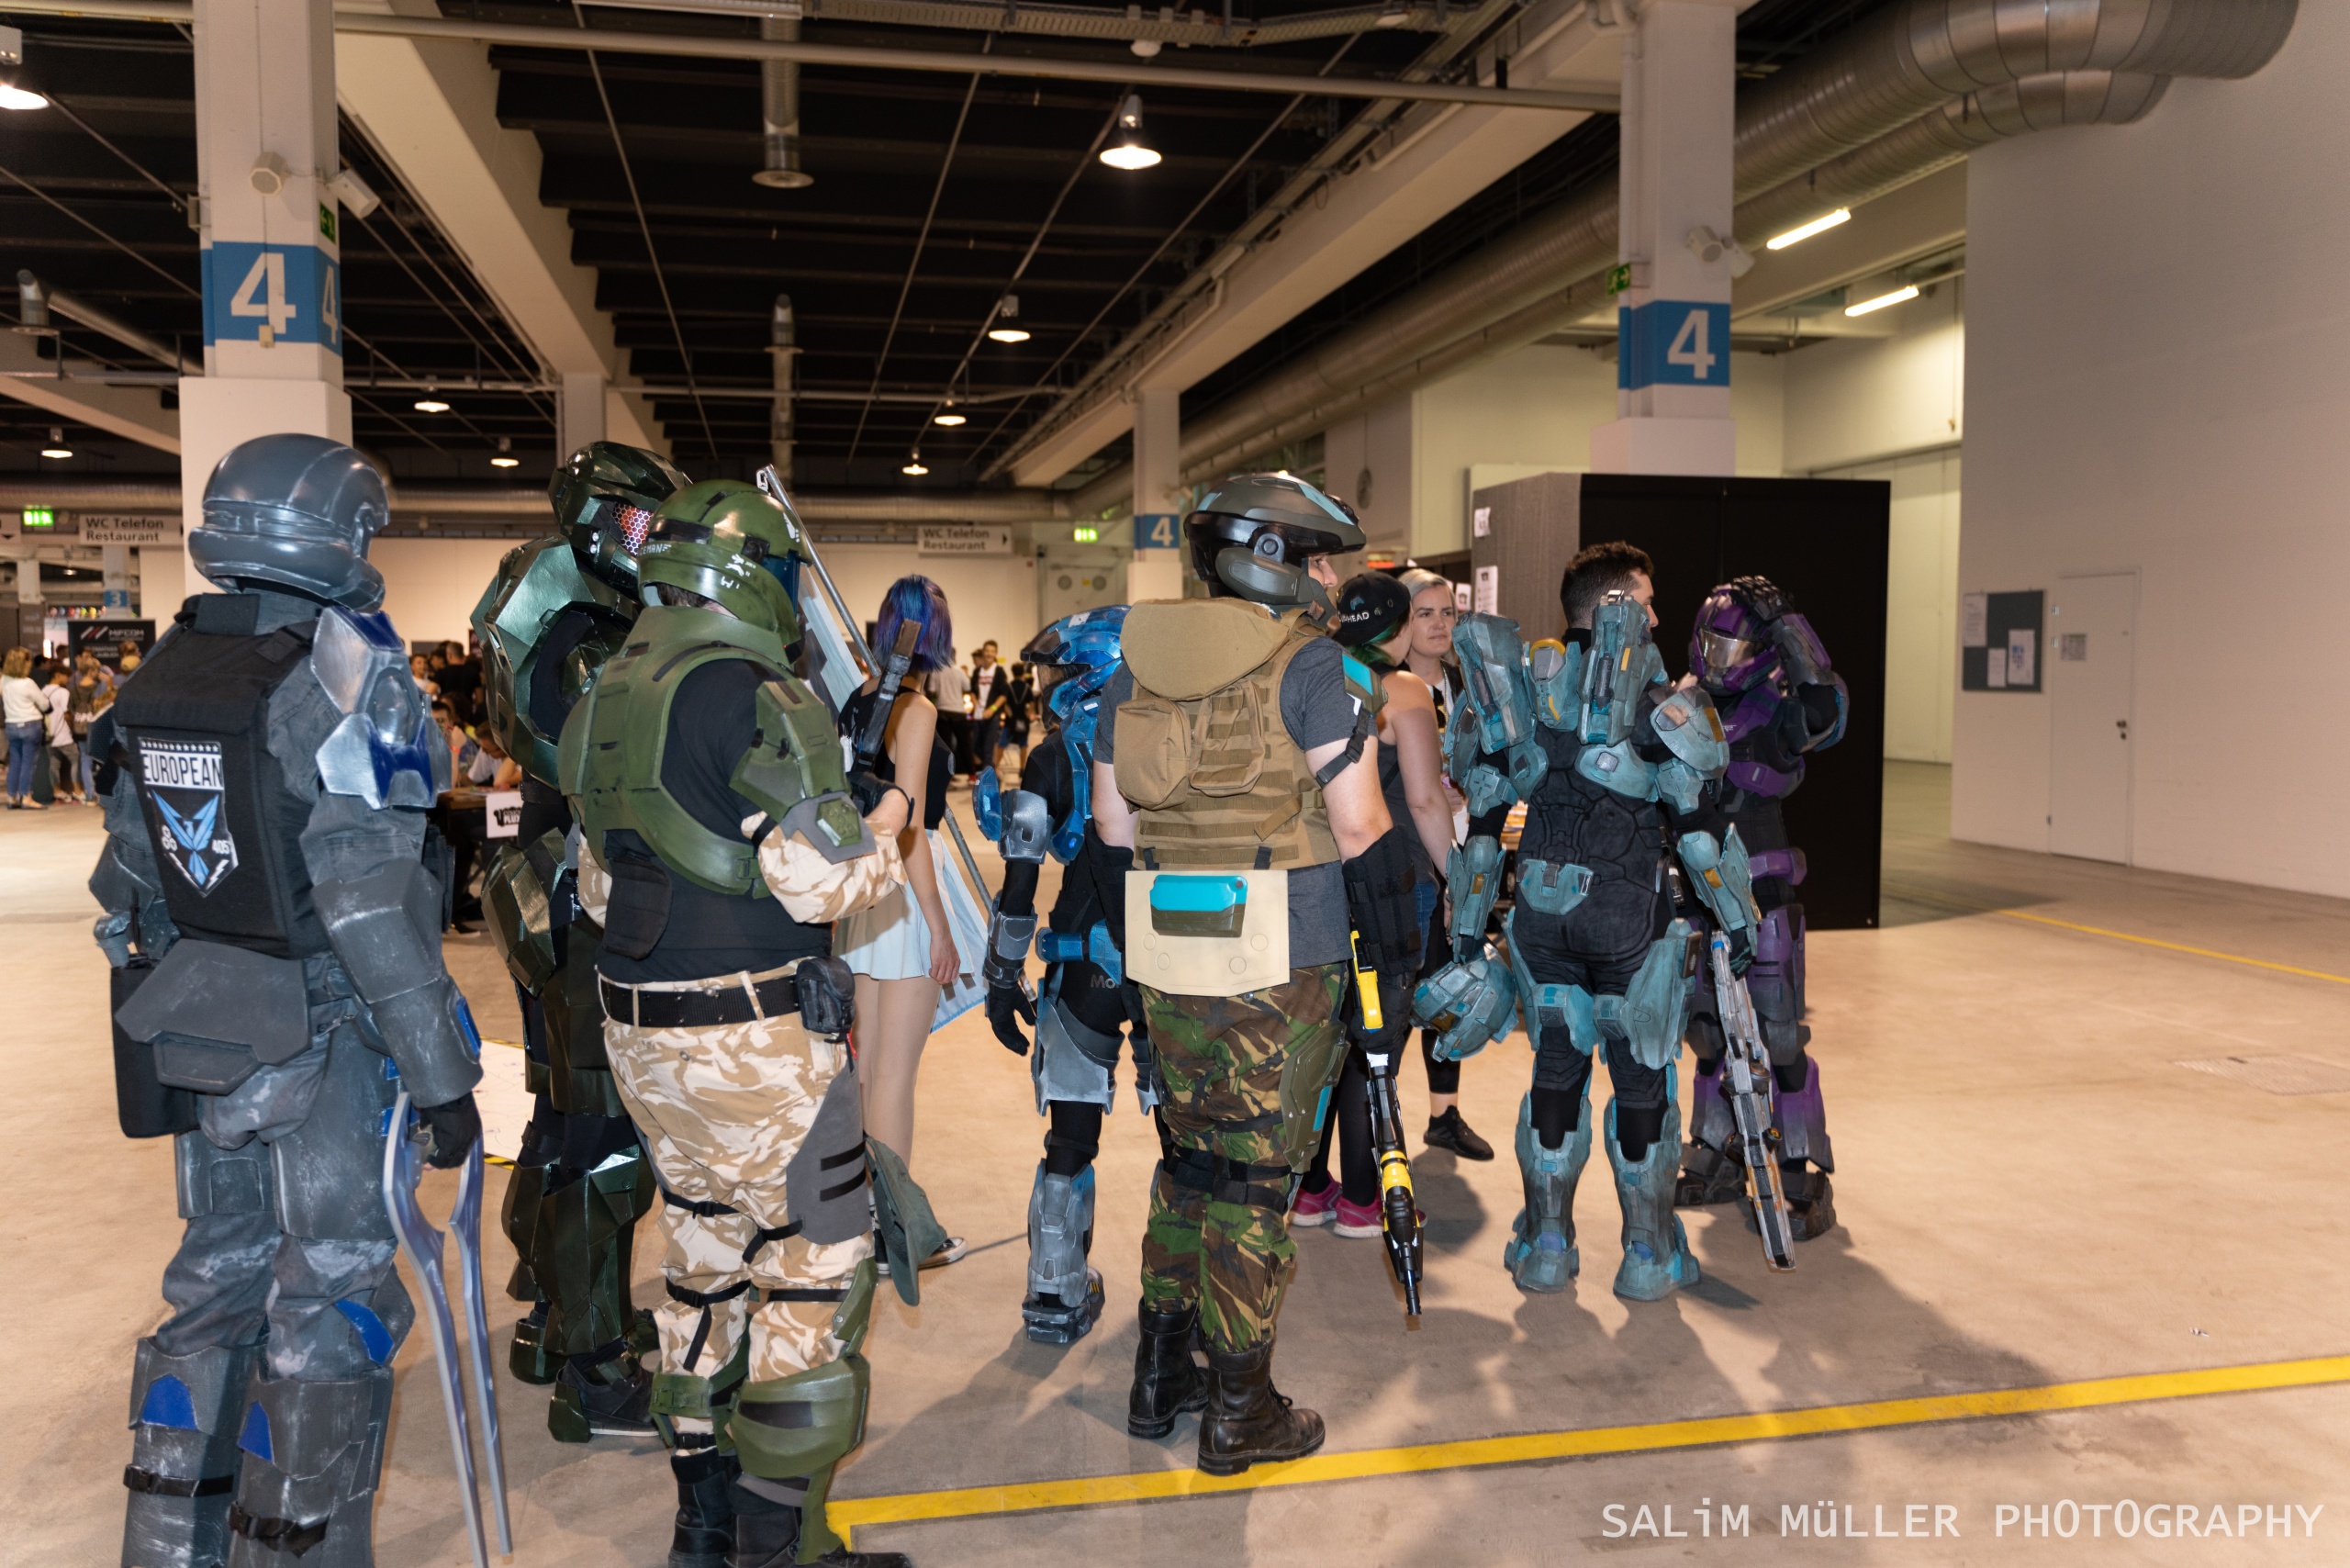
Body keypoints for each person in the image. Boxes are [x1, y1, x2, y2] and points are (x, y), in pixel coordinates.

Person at [95, 432, 483, 1568]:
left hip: (198, 1027)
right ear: (339, 534)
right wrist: (440, 1076)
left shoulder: (166, 667)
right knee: (333, 1301)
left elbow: (124, 885)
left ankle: (167, 1546)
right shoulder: (351, 674)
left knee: (213, 1284)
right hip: (325, 1036)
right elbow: (368, 902)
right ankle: (299, 1552)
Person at [559, 477, 916, 1568]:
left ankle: (701, 1525)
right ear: (752, 575)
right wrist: (889, 813)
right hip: (754, 1040)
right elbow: (826, 885)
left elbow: (596, 886)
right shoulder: (755, 689)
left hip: (642, 1036)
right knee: (814, 1267)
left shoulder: (606, 691)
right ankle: (780, 1544)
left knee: (703, 1258)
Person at [1091, 473, 1422, 1475]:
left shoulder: (1134, 670)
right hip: (1283, 959)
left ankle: (1159, 1372)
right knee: (1254, 1179)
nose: (1326, 580)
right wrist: (1398, 957)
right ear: (1272, 559)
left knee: (1189, 1161)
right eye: (1317, 559)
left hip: (1168, 949)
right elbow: (1360, 825)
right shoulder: (1316, 666)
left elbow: (1112, 828)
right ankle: (1239, 1408)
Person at [1436, 541, 1755, 1302]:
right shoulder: (1654, 703)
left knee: (1555, 1071)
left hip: (1542, 922)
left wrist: (1466, 936)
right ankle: (1647, 1254)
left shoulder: (1514, 697)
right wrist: (1738, 920)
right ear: (1619, 604)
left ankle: (1548, 1247)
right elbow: (1698, 834)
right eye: (1647, 599)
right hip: (1627, 920)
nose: (1656, 616)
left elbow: (1481, 835)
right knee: (1642, 1080)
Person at [471, 440, 688, 1443]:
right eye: (641, 523)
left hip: (543, 876)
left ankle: (553, 1321)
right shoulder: (585, 631)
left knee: (563, 1120)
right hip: (581, 894)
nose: (649, 542)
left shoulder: (551, 606)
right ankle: (593, 1371)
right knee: (605, 1141)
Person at [974, 606, 1148, 1344]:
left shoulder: (1052, 758)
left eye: (1060, 671)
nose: (1048, 686)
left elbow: (1019, 887)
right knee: (1191, 1140)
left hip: (1083, 964)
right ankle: (1180, 1307)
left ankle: (1055, 1292)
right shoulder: (1172, 741)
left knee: (1070, 1138)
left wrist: (1000, 977)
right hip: (1167, 962)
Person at [1674, 577, 1849, 1239]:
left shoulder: (1777, 709)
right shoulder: (1680, 703)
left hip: (1764, 889)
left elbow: (1824, 711)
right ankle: (1716, 1150)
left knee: (1778, 1036)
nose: (1719, 658)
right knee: (1706, 1033)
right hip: (1698, 891)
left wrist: (1791, 627)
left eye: (1735, 646)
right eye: (1713, 643)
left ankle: (1801, 1165)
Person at [1293, 573, 1467, 1238]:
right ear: (1396, 629)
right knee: (1376, 1047)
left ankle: (1311, 1189)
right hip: (1392, 883)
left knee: (1323, 1039)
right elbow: (1424, 800)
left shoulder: (1314, 678)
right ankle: (1364, 1199)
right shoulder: (1405, 690)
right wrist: (1458, 883)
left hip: (1319, 883)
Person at [834, 576, 974, 1270]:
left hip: (864, 890)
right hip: (905, 889)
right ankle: (897, 1231)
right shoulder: (913, 709)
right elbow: (911, 825)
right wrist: (940, 927)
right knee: (892, 1072)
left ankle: (863, 1219)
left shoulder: (859, 699)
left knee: (867, 1070)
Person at [3, 645, 47, 809]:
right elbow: (44, 704)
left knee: (15, 761)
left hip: (11, 725)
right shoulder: (28, 683)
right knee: (29, 762)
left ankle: (11, 797)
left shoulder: (4, 681)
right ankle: (26, 796)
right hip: (30, 724)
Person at [924, 651, 970, 778]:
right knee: (965, 744)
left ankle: (948, 776)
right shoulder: (960, 671)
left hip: (943, 710)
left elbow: (932, 690)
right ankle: (972, 775)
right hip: (958, 710)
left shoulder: (937, 670)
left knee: (946, 746)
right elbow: (967, 687)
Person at [44, 664, 84, 802]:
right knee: (76, 759)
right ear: (58, 675)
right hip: (63, 734)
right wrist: (73, 728)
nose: (68, 679)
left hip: (48, 734)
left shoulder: (43, 691)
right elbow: (68, 714)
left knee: (54, 763)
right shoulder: (62, 692)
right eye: (66, 676)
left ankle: (57, 791)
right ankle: (77, 790)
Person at [968, 640, 1007, 775]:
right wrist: (974, 701)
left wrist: (992, 709)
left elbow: (1003, 695)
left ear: (995, 654)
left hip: (992, 716)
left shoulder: (999, 671)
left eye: (992, 651)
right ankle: (985, 772)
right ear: (983, 652)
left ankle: (987, 779)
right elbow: (972, 690)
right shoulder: (977, 671)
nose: (989, 654)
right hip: (978, 715)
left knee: (988, 749)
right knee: (974, 747)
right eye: (987, 651)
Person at [999, 660, 1035, 771]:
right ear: (1023, 673)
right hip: (1023, 720)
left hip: (1010, 721)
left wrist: (1010, 714)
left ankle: (996, 766)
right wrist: (1028, 715)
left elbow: (1005, 703)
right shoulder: (1027, 687)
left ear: (1012, 672)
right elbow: (1032, 703)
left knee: (1002, 743)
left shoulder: (1008, 686)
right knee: (1023, 744)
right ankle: (1022, 768)